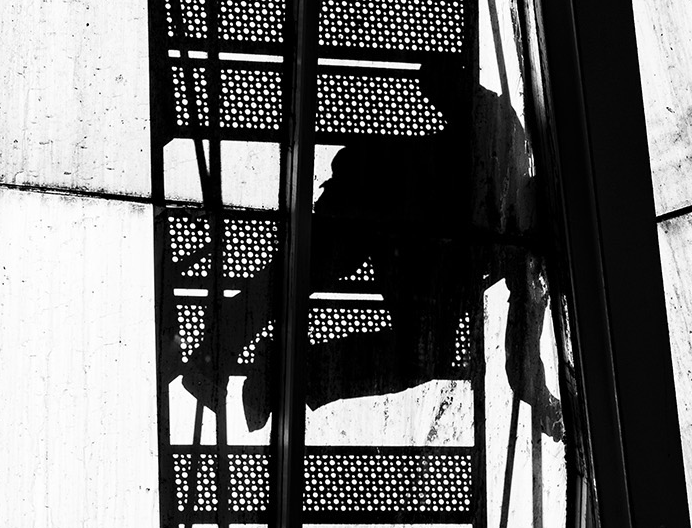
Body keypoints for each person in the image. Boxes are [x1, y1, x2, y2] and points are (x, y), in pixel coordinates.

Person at [181, 53, 561, 439]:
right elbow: (437, 77)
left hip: (397, 235)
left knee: (420, 352)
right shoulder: (503, 142)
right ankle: (243, 361)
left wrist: (544, 402)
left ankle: (267, 368)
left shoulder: (523, 253)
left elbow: (522, 360)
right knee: (312, 273)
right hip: (374, 195)